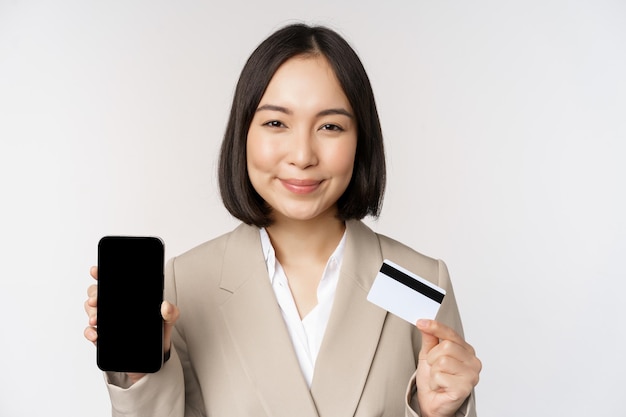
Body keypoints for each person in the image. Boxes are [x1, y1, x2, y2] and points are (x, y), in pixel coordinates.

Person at [84, 23, 481, 417]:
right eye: (276, 123)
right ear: (243, 133)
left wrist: (437, 412)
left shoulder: (420, 283)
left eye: (330, 126)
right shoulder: (184, 286)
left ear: (362, 140)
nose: (303, 154)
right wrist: (140, 376)